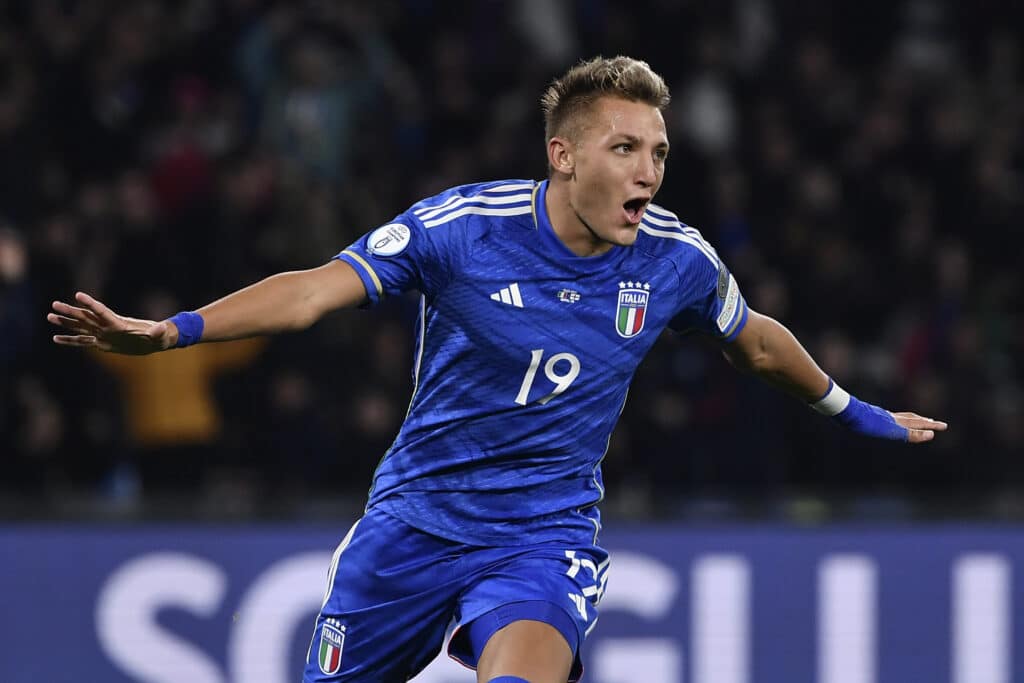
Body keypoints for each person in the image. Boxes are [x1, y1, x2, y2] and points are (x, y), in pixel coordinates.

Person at [49, 56, 946, 683]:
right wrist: (171, 333)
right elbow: (315, 292)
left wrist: (855, 409)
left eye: (659, 151)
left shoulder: (677, 259)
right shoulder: (461, 229)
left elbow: (751, 339)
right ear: (563, 155)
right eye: (625, 149)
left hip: (540, 531)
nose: (650, 171)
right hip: (415, 518)